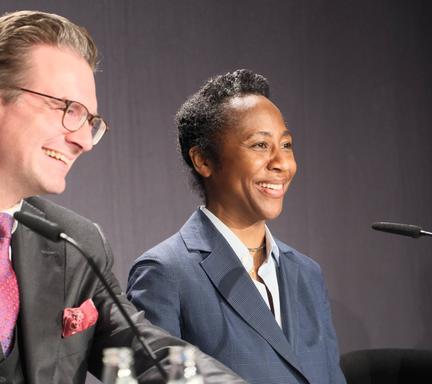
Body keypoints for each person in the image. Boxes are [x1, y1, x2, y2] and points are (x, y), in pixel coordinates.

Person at [0, 11, 246, 384]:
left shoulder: (74, 243)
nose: (85, 141)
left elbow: (147, 350)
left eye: (90, 121)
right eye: (68, 110)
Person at [127, 69, 346, 384]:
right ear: (203, 161)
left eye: (286, 145)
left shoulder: (307, 274)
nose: (281, 163)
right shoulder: (166, 272)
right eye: (260, 145)